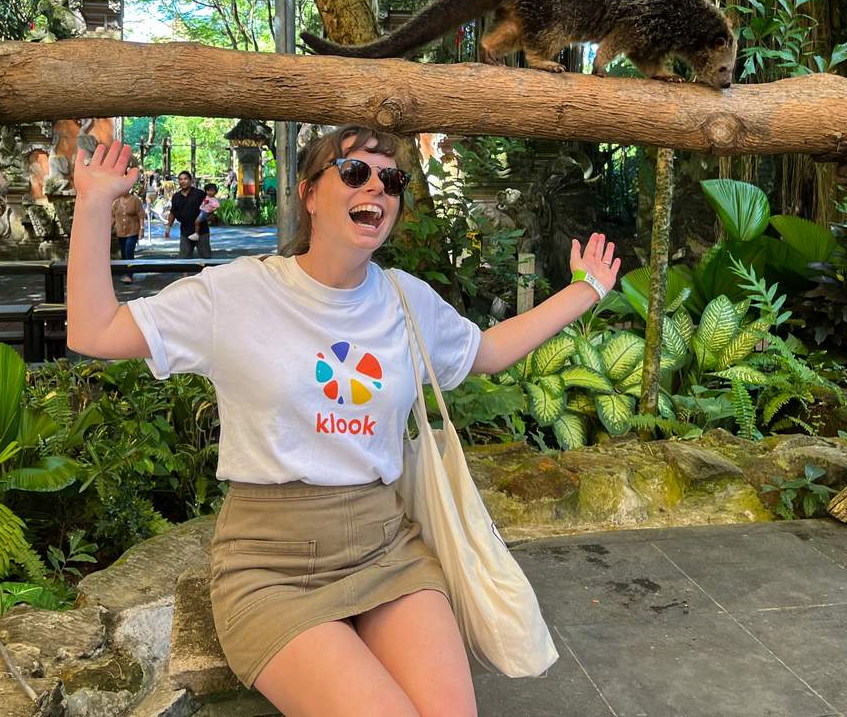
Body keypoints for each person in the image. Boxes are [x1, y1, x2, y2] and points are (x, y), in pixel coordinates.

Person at [65, 125, 621, 715]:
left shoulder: (405, 298)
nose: (377, 188)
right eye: (355, 172)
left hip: (385, 548)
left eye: (392, 180)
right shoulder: (238, 293)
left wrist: (586, 289)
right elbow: (94, 331)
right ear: (308, 193)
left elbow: (486, 351)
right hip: (271, 567)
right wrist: (94, 203)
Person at [168, 169, 211, 258]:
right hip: (185, 232)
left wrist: (210, 217)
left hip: (202, 232)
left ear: (191, 180)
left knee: (206, 257)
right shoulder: (176, 197)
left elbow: (209, 207)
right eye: (180, 179)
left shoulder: (199, 194)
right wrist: (168, 226)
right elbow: (172, 212)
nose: (183, 181)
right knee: (183, 259)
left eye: (185, 179)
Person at [111, 184, 145, 283]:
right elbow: (113, 217)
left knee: (129, 251)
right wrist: (109, 228)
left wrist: (141, 229)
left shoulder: (135, 200)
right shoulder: (116, 202)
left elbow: (141, 216)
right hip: (120, 232)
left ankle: (130, 275)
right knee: (123, 254)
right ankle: (125, 272)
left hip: (132, 231)